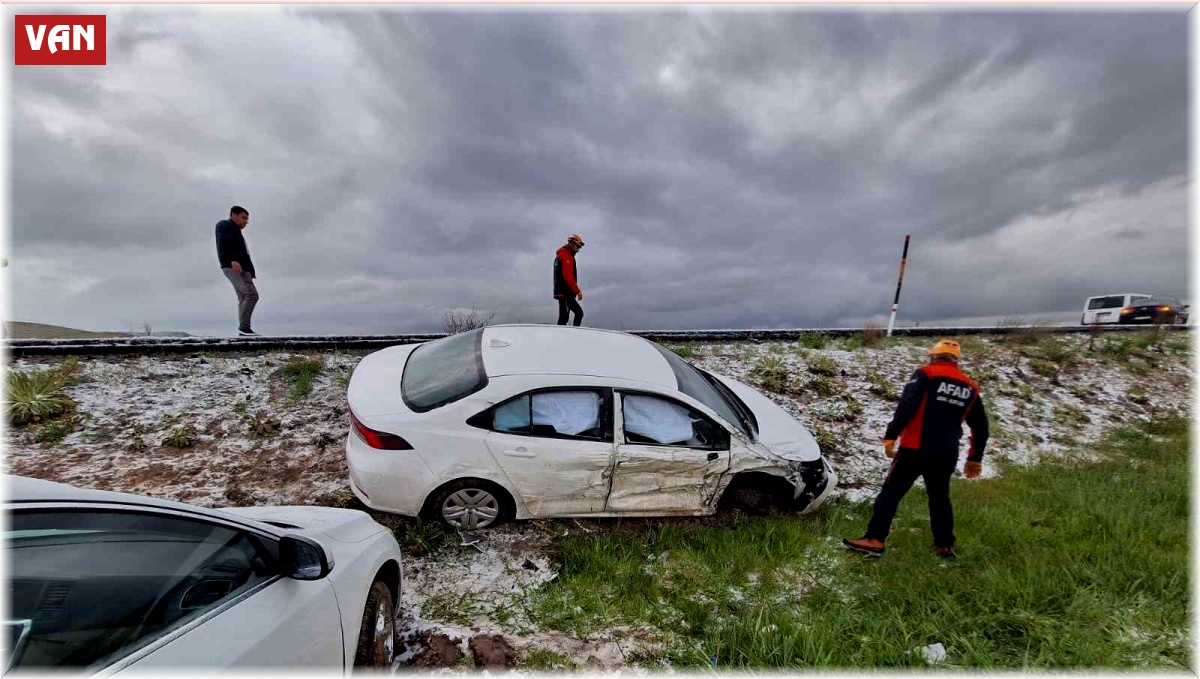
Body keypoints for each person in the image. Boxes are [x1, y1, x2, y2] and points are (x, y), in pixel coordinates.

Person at [842, 339, 990, 561]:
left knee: (891, 493)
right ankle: (943, 546)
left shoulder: (925, 374)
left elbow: (907, 406)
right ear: (956, 360)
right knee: (940, 498)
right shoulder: (970, 386)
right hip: (947, 453)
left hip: (914, 449)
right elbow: (981, 426)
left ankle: (874, 539)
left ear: (933, 356)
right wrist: (975, 458)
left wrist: (891, 435)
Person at [215, 206, 259, 336]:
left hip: (242, 268)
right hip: (233, 266)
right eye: (243, 217)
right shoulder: (225, 225)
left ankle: (244, 329)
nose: (246, 221)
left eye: (247, 219)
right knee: (251, 295)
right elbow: (224, 243)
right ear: (234, 215)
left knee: (243, 297)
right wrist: (232, 260)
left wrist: (250, 271)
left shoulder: (236, 231)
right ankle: (244, 328)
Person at [553, 233, 585, 326]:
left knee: (564, 317)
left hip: (563, 293)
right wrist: (577, 291)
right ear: (572, 244)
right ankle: (573, 336)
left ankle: (566, 337)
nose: (578, 249)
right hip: (565, 293)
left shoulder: (562, 255)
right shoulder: (566, 256)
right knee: (577, 314)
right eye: (577, 246)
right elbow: (568, 276)